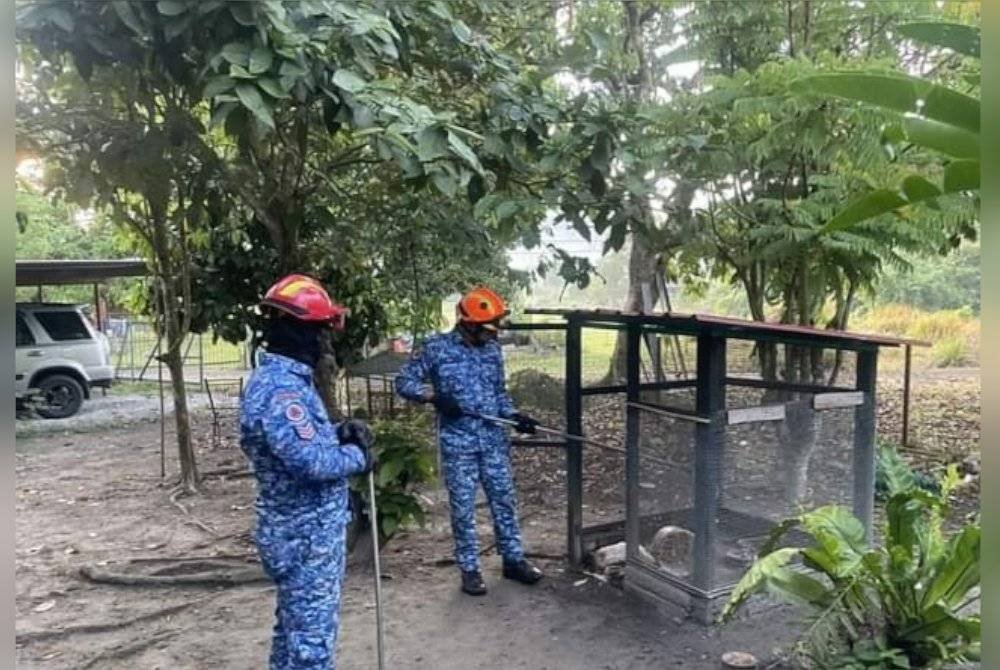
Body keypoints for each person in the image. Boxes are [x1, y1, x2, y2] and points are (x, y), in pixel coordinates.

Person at [240, 273, 376, 670]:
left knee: (291, 638)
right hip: (304, 536)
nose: (325, 342)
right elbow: (311, 462)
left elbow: (298, 441)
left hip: (301, 531)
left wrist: (339, 432)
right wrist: (358, 458)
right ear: (300, 333)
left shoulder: (288, 384)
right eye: (321, 331)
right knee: (310, 649)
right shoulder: (282, 391)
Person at [396, 286, 543, 596]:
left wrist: (516, 416)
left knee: (504, 500)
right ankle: (470, 569)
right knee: (463, 508)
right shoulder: (435, 348)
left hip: (493, 440)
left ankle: (513, 560)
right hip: (458, 443)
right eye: (487, 330)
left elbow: (498, 394)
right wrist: (434, 397)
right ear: (467, 323)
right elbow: (404, 382)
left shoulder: (492, 351)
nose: (493, 336)